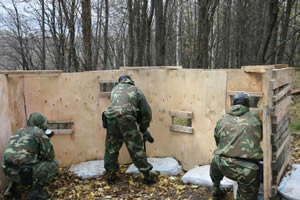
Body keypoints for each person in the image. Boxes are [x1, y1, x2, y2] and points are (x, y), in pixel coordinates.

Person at [103, 74, 156, 185]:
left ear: (120, 81)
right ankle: (147, 177)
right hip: (126, 119)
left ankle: (111, 176)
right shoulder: (135, 90)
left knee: (111, 148)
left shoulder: (114, 89)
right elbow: (146, 111)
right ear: (130, 81)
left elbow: (118, 106)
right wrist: (144, 127)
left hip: (111, 118)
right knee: (136, 148)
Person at [210, 92, 263, 200]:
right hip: (246, 169)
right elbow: (259, 138)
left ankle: (216, 190)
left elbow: (217, 141)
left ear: (233, 104)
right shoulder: (255, 120)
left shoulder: (222, 120)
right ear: (247, 104)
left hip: (222, 165)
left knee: (216, 157)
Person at [2, 112, 59, 200]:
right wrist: (46, 140)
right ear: (42, 124)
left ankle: (10, 189)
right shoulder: (39, 132)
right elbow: (50, 156)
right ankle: (34, 192)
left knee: (16, 162)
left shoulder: (19, 131)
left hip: (7, 170)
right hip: (24, 173)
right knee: (54, 164)